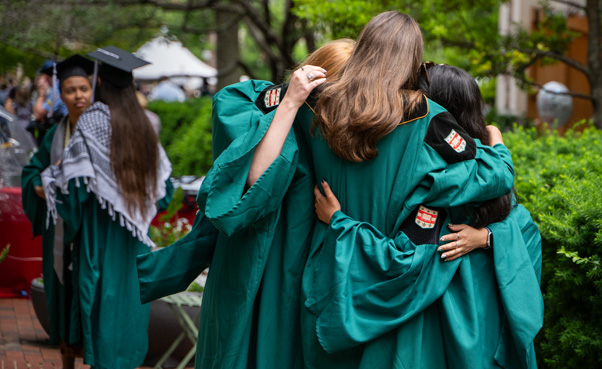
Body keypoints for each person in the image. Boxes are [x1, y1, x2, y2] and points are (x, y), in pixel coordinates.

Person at [203, 11, 514, 369]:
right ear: (414, 62)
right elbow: (495, 175)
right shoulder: (430, 119)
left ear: (363, 47)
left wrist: (291, 96)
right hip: (386, 277)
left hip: (324, 265)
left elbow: (238, 106)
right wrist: (496, 144)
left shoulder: (314, 104)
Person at [136, 38, 356, 369]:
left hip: (299, 271)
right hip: (250, 262)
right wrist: (289, 104)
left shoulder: (345, 133)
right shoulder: (261, 106)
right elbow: (252, 183)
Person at [311, 63, 543, 368]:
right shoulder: (488, 167)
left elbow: (397, 261)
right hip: (483, 319)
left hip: (439, 315)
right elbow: (526, 231)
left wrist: (339, 221)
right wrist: (490, 236)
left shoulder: (436, 179)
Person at [36, 47, 172, 369]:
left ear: (99, 83)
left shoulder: (93, 122)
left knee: (103, 308)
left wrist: (53, 182)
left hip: (101, 237)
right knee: (129, 313)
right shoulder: (144, 125)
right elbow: (164, 193)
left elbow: (76, 189)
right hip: (136, 240)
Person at [22, 54, 96, 357]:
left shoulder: (102, 131)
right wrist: (39, 188)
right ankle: (66, 356)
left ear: (92, 89)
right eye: (70, 90)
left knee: (90, 299)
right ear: (60, 95)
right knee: (64, 297)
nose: (78, 96)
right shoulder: (55, 134)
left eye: (83, 88)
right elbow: (32, 172)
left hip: (92, 230)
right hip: (62, 231)